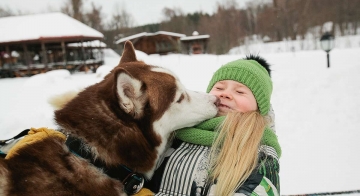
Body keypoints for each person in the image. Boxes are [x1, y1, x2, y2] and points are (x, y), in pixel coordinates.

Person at [140, 55, 281, 196]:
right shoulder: (180, 127)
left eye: (240, 92)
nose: (226, 94)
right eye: (219, 87)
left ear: (258, 107)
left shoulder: (259, 147)